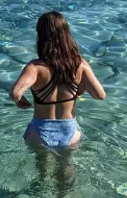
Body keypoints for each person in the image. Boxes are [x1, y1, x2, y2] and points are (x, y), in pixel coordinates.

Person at [9, 11, 106, 149]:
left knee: (42, 170)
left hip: (39, 132)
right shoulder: (80, 64)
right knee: (68, 169)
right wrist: (82, 84)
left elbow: (15, 93)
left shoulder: (35, 67)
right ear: (66, 35)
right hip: (69, 130)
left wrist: (19, 101)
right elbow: (100, 95)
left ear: (40, 36)